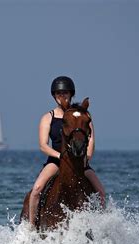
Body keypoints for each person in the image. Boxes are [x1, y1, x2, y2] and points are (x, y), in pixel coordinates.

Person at [28, 76, 105, 226]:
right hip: (56, 161)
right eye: (58, 93)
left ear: (71, 94)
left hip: (80, 161)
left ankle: (102, 228)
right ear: (54, 95)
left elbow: (91, 141)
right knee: (37, 189)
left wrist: (86, 157)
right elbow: (43, 145)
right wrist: (60, 156)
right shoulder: (47, 117)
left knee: (101, 192)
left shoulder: (84, 116)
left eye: (65, 93)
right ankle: (31, 228)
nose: (62, 96)